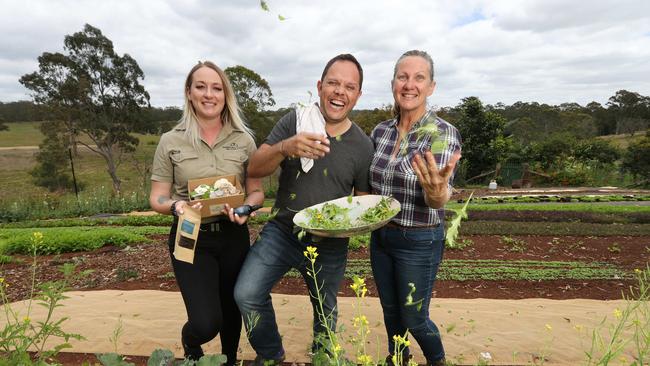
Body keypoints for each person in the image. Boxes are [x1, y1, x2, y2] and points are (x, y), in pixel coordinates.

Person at [234, 54, 374, 365]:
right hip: (282, 232)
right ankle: (270, 354)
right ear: (320, 86)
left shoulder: (362, 146)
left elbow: (362, 200)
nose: (340, 91)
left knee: (325, 311)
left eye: (349, 86)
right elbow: (254, 168)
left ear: (358, 95)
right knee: (246, 293)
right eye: (333, 83)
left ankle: (323, 358)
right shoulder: (295, 121)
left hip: (331, 242)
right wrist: (286, 147)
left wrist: (350, 225)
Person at [149, 61, 264, 365]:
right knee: (205, 322)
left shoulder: (243, 140)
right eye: (201, 86)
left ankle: (229, 360)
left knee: (231, 309)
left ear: (225, 95)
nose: (209, 94)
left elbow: (257, 192)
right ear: (189, 93)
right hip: (190, 236)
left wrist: (246, 208)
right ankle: (191, 341)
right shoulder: (171, 141)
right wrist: (176, 205)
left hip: (232, 235)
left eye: (216, 88)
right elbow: (157, 197)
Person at [369, 50, 462, 366]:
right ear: (393, 82)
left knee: (414, 317)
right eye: (402, 76)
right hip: (381, 238)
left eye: (419, 77)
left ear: (431, 86)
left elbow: (439, 196)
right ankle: (397, 359)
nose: (409, 84)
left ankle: (437, 360)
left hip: (418, 241)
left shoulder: (441, 133)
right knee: (391, 311)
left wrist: (437, 194)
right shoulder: (380, 132)